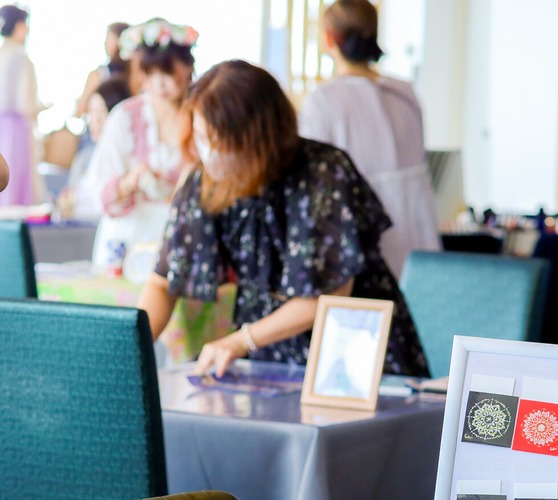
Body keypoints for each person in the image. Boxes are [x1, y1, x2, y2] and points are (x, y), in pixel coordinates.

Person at [137, 59, 429, 380]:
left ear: (260, 136)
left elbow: (326, 295)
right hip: (264, 357)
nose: (211, 153)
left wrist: (239, 341)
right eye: (203, 138)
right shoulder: (204, 183)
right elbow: (162, 282)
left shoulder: (323, 172)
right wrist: (130, 351)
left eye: (221, 141)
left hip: (349, 355)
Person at [297, 0, 440, 277]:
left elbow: (313, 184)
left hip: (363, 247)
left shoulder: (324, 100)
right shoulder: (405, 93)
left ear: (329, 38)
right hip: (421, 242)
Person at [86, 18, 196, 267]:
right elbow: (99, 186)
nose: (159, 83)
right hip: (129, 241)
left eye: (168, 72)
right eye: (151, 74)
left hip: (184, 241)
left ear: (188, 67)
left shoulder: (202, 117)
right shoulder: (126, 116)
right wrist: (130, 181)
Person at [57, 78, 130, 219]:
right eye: (91, 112)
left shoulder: (127, 160)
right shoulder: (83, 159)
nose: (95, 120)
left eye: (102, 111)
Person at [0, 5, 42, 207]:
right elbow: (26, 105)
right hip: (15, 129)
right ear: (17, 27)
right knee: (14, 182)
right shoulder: (22, 59)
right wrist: (43, 107)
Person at [76, 22, 129, 117]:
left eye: (109, 38)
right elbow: (81, 110)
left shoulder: (134, 73)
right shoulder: (99, 74)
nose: (105, 43)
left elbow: (81, 109)